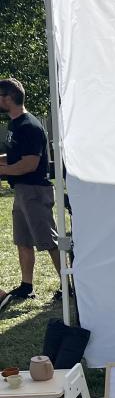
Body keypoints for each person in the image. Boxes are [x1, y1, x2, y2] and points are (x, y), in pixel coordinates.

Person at [0, 77, 61, 313]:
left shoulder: (29, 126)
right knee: (23, 240)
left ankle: (69, 286)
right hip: (22, 191)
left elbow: (29, 164)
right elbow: (15, 156)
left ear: (8, 98)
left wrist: (2, 170)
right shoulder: (15, 124)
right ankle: (27, 286)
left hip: (35, 190)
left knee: (49, 241)